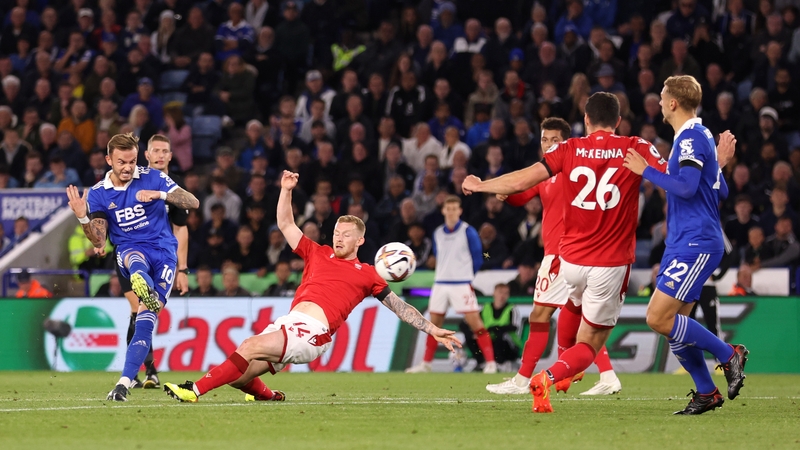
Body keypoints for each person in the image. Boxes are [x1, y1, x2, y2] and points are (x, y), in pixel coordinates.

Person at [163, 170, 460, 403]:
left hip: (313, 333)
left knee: (248, 346)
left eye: (346, 234)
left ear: (360, 241)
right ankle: (268, 395)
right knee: (239, 375)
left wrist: (432, 328)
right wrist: (286, 190)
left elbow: (399, 306)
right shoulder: (318, 252)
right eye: (336, 232)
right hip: (289, 323)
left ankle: (194, 390)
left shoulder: (368, 274)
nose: (339, 238)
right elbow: (286, 224)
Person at [462, 92, 668, 413]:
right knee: (589, 339)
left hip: (570, 259)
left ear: (585, 120)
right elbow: (674, 178)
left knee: (566, 308)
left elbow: (521, 181)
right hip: (608, 261)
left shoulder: (568, 151)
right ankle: (554, 374)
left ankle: (552, 375)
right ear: (618, 121)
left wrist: (481, 184)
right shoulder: (634, 146)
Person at [622, 75, 747, 415]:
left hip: (696, 241)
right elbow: (717, 191)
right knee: (676, 328)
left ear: (673, 103)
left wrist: (647, 170)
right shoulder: (696, 135)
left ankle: (728, 354)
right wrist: (718, 167)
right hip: (685, 241)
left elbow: (688, 188)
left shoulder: (690, 136)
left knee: (656, 317)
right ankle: (707, 392)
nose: (660, 103)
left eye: (663, 98)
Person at [485, 117, 623, 396]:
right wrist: (506, 196)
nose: (548, 145)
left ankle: (523, 380)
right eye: (544, 139)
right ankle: (607, 376)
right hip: (568, 255)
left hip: (563, 255)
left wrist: (502, 188)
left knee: (540, 315)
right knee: (585, 320)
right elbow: (523, 196)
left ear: (567, 143)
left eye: (554, 140)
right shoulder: (546, 175)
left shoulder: (571, 171)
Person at [66, 132, 199, 402]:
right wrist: (82, 217)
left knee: (147, 318)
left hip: (164, 254)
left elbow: (193, 202)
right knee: (133, 259)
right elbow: (100, 239)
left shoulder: (153, 176)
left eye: (132, 161)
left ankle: (124, 383)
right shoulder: (100, 194)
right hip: (130, 251)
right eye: (121, 162)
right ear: (108, 160)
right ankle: (141, 279)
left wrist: (161, 194)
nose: (128, 167)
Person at [114, 134, 193, 389]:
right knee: (138, 308)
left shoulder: (174, 188)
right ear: (146, 155)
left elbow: (180, 229)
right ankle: (147, 371)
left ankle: (142, 372)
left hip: (160, 254)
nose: (160, 155)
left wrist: (182, 268)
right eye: (155, 150)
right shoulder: (133, 178)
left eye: (165, 151)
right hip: (131, 253)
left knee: (144, 310)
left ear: (171, 155)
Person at [405, 195, 498, 374]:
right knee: (433, 325)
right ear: (443, 211)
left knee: (475, 323)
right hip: (440, 284)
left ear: (460, 211)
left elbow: (477, 257)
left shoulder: (467, 231)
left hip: (461, 284)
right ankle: (426, 364)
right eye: (449, 208)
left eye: (455, 208)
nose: (452, 212)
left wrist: (468, 276)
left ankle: (491, 363)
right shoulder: (438, 232)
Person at [458, 284, 521, 371]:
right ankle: (481, 363)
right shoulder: (485, 308)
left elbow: (514, 327)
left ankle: (501, 363)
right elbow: (464, 324)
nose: (502, 296)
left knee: (499, 335)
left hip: (507, 344)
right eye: (500, 292)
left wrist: (493, 329)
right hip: (489, 339)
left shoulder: (512, 309)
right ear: (494, 293)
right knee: (472, 337)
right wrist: (472, 334)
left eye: (506, 293)